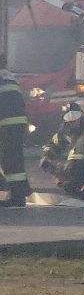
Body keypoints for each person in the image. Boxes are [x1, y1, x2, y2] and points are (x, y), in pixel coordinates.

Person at [0, 53, 27, 207]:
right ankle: (20, 193)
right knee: (14, 159)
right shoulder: (8, 77)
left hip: (6, 123)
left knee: (10, 161)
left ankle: (18, 197)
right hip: (16, 123)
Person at [39, 103, 84, 173]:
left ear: (81, 117)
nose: (73, 123)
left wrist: (75, 160)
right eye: (70, 122)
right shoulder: (64, 131)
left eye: (75, 120)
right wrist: (46, 155)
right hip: (69, 165)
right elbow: (52, 144)